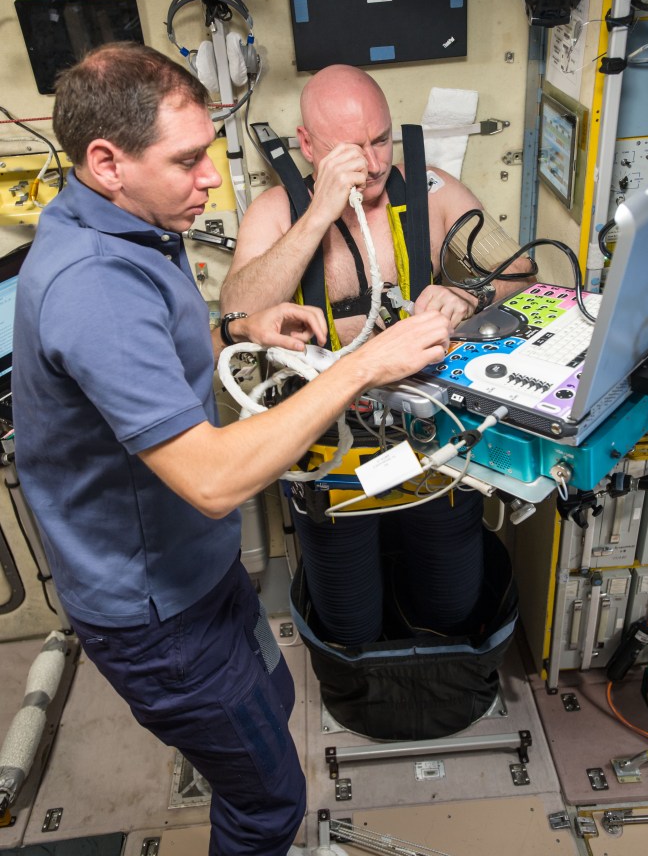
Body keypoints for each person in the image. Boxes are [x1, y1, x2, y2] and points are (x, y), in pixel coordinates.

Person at [10, 43, 452, 856]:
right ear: (106, 162)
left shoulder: (126, 226)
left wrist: (235, 327)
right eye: (186, 161)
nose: (210, 177)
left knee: (273, 696)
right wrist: (362, 367)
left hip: (198, 577)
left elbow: (149, 349)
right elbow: (213, 481)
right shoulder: (92, 285)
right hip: (157, 616)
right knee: (267, 803)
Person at [221, 64, 533, 652]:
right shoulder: (277, 212)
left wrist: (468, 294)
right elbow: (236, 314)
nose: (372, 161)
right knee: (350, 621)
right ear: (308, 145)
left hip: (434, 442)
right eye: (350, 148)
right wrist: (318, 214)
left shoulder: (431, 191)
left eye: (381, 139)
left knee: (451, 605)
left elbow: (521, 274)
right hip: (330, 457)